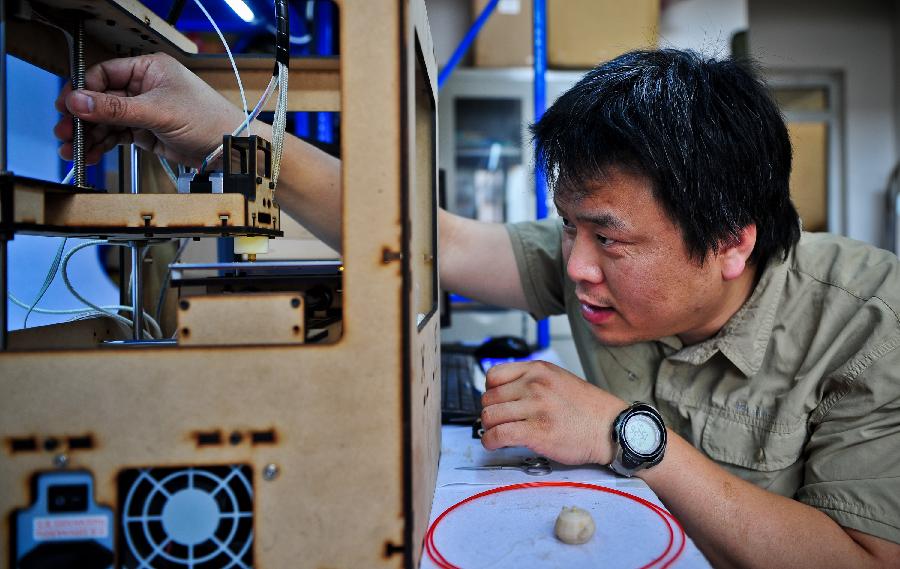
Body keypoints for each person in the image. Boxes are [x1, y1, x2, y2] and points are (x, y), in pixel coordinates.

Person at [55, 49, 900, 567]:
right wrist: (217, 128)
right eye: (569, 229)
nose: (574, 268)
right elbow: (437, 240)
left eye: (609, 240)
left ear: (731, 243)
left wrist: (628, 434)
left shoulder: (869, 321)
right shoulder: (590, 261)